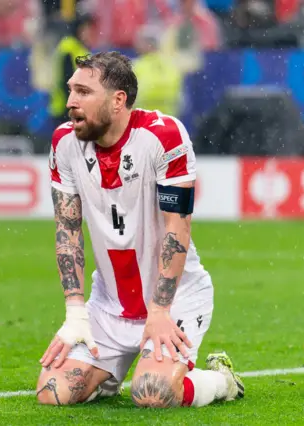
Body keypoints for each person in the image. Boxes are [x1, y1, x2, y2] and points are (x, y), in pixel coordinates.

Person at [36, 51, 245, 408]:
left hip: (173, 300)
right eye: (72, 90)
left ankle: (220, 381)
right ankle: (104, 377)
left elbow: (176, 229)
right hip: (109, 306)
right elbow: (67, 231)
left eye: (84, 92)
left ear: (118, 101)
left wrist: (160, 311)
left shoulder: (162, 136)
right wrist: (75, 312)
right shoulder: (64, 143)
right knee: (52, 394)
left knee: (151, 394)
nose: (71, 101)